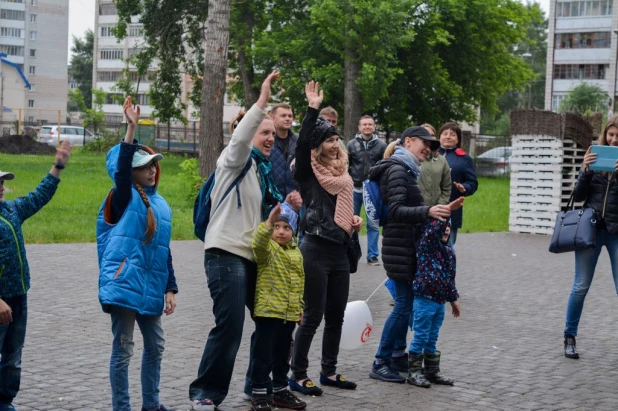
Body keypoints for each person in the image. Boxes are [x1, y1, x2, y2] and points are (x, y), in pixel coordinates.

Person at [189, 72, 301, 411]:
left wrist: (288, 207)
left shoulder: (263, 175)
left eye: (272, 133)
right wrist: (262, 101)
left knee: (275, 321)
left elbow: (266, 221)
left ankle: (260, 387)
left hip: (254, 255)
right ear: (249, 133)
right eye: (264, 132)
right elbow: (238, 141)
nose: (270, 138)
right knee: (231, 325)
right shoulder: (233, 160)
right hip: (225, 253)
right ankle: (205, 392)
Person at [97, 97, 177, 411]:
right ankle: (122, 407)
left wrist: (170, 287)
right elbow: (120, 170)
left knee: (155, 346)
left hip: (152, 286)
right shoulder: (122, 195)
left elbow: (163, 249)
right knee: (124, 350)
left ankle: (152, 404)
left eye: (153, 164)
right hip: (125, 283)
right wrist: (131, 128)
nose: (151, 170)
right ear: (132, 172)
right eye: (143, 166)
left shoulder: (162, 205)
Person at [289, 81, 363, 395]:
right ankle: (297, 373)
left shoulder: (342, 171)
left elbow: (341, 207)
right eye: (328, 140)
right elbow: (303, 141)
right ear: (317, 146)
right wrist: (312, 109)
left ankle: (329, 371)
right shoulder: (306, 170)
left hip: (340, 248)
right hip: (315, 248)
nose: (334, 145)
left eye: (336, 139)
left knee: (336, 315)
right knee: (312, 316)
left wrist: (352, 220)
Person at [367, 126, 451, 384]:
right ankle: (381, 360)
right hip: (399, 247)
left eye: (431, 145)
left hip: (405, 246)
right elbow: (396, 211)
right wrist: (428, 212)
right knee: (403, 306)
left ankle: (396, 355)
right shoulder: (396, 169)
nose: (428, 147)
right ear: (407, 141)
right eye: (423, 142)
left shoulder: (406, 169)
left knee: (407, 305)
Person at [0, 140, 71, 411]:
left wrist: (58, 165)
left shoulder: (11, 210)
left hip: (18, 295)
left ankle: (5, 401)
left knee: (13, 357)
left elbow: (39, 195)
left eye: (3, 183)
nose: (2, 187)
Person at [563, 115, 618, 359]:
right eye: (611, 135)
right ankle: (569, 336)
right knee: (581, 286)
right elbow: (578, 193)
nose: (614, 140)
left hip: (616, 233)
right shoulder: (594, 159)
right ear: (605, 135)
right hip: (591, 230)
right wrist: (585, 170)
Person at [249, 202, 306, 411]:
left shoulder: (296, 253)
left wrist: (299, 307)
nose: (281, 232)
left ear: (294, 231)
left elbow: (299, 282)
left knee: (283, 355)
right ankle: (259, 393)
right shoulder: (268, 249)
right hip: (268, 312)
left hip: (288, 315)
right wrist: (268, 223)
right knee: (263, 354)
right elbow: (257, 244)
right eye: (277, 227)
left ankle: (280, 390)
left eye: (286, 227)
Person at [408, 217, 461, 388]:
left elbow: (449, 279)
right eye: (443, 227)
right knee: (421, 336)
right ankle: (414, 373)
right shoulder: (426, 248)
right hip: (424, 300)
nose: (446, 230)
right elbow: (431, 233)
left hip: (440, 302)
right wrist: (444, 215)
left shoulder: (450, 254)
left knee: (432, 337)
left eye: (449, 227)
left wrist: (453, 300)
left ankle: (431, 371)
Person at [347, 115, 386, 266]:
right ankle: (351, 253)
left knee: (373, 223)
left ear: (374, 127)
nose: (367, 127)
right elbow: (346, 165)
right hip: (354, 188)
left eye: (370, 124)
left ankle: (372, 255)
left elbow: (384, 166)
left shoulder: (382, 146)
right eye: (364, 124)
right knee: (350, 223)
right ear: (359, 127)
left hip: (372, 190)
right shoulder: (351, 144)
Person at [438, 122, 478, 247]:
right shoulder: (430, 155)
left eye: (452, 134)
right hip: (429, 206)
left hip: (451, 208)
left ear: (458, 139)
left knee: (447, 246)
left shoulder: (464, 159)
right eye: (445, 133)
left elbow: (472, 183)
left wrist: (464, 188)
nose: (448, 137)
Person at [419, 123, 451, 207]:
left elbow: (447, 187)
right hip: (415, 211)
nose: (430, 137)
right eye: (425, 134)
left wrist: (440, 204)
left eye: (432, 135)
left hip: (436, 211)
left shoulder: (442, 160)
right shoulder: (413, 158)